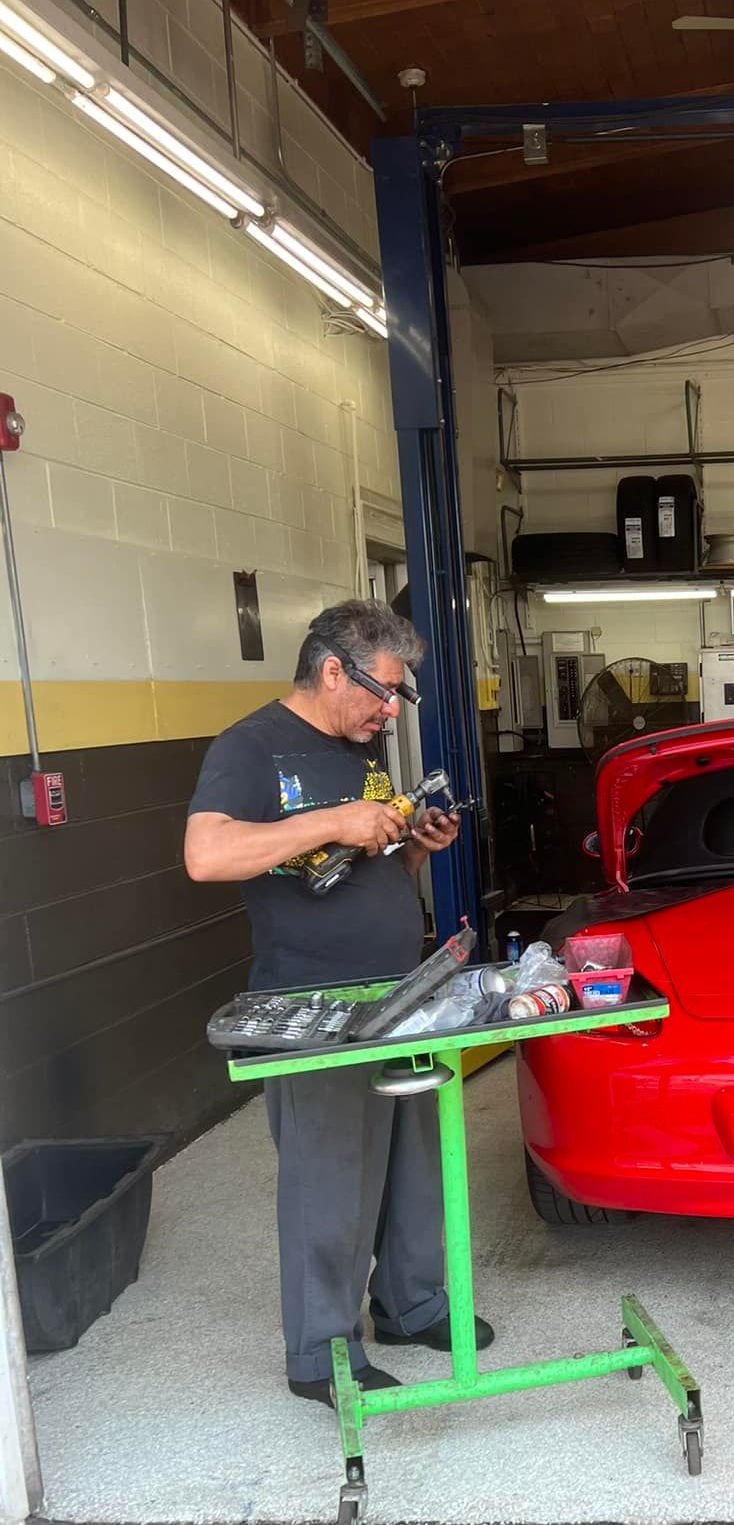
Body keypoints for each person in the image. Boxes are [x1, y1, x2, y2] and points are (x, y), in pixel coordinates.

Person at [183, 600, 494, 1403]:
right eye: (383, 690)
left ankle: (410, 1303)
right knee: (331, 1179)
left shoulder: (364, 757)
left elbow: (367, 870)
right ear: (332, 670)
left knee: (411, 1161)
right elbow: (207, 854)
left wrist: (411, 849)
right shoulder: (248, 748)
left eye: (398, 695)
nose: (390, 709)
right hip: (309, 1005)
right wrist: (334, 819)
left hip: (397, 992)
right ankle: (321, 1353)